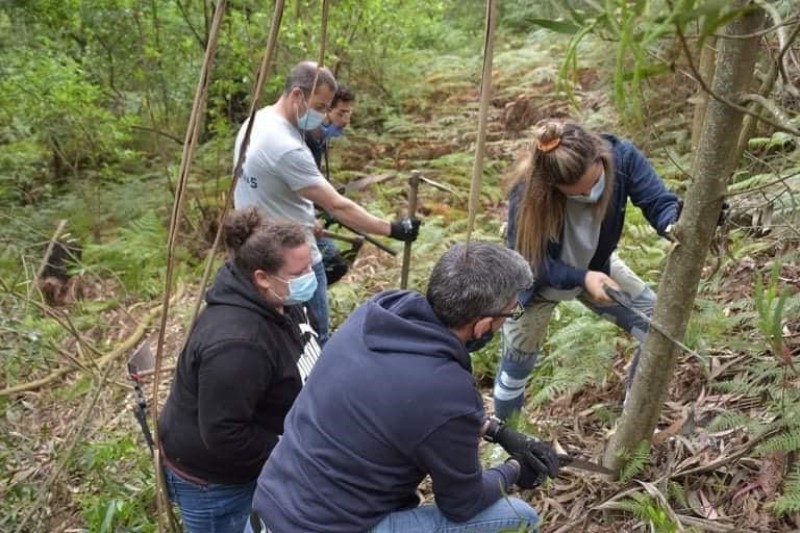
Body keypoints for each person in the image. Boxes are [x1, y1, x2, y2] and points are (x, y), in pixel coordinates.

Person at [247, 241, 561, 533]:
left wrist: (498, 431)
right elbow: (464, 503)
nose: (511, 317)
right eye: (511, 311)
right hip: (325, 527)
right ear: (481, 325)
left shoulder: (379, 312)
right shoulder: (445, 389)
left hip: (270, 505)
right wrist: (515, 469)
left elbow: (402, 406)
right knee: (520, 516)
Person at [492, 119, 682, 420]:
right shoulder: (528, 192)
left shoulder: (623, 158)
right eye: (578, 194)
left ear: (599, 157)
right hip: (535, 284)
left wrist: (673, 224)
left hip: (597, 265)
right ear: (554, 187)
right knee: (516, 369)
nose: (592, 194)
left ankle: (634, 426)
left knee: (656, 326)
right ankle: (507, 444)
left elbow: (658, 202)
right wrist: (582, 278)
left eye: (596, 182)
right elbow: (529, 265)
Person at [158, 208, 322, 533]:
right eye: (299, 271)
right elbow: (225, 434)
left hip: (261, 463)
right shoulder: (237, 345)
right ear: (261, 277)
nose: (310, 276)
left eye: (309, 266)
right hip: (219, 484)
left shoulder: (283, 301)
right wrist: (291, 451)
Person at [233, 62, 419, 346]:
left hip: (255, 248)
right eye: (319, 106)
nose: (321, 116)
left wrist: (306, 216)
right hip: (291, 257)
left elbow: (272, 188)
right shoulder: (287, 146)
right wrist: (392, 228)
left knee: (278, 337)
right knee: (315, 338)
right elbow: (338, 206)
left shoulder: (257, 121)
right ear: (297, 95)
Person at [303, 85, 357, 286]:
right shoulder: (304, 139)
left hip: (304, 215)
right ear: (325, 111)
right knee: (332, 259)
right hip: (289, 220)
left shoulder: (319, 139)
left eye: (349, 113)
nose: (346, 121)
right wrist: (308, 215)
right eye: (341, 113)